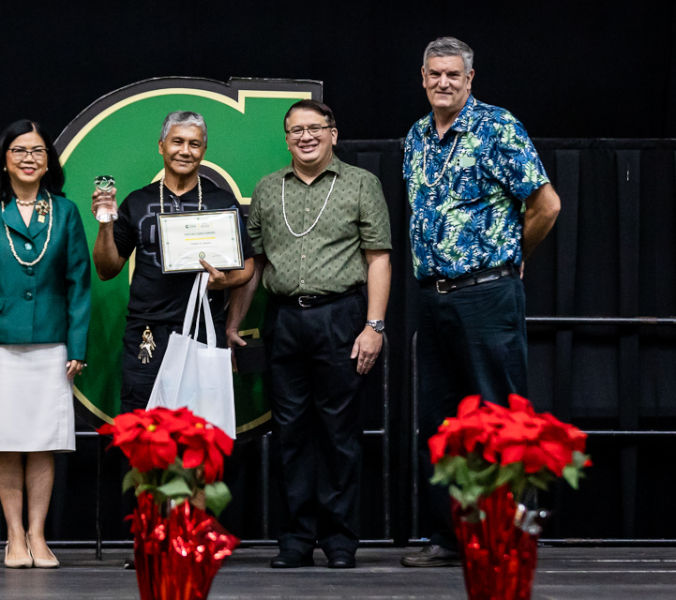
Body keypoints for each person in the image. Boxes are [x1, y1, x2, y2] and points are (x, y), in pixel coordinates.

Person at [400, 37, 561, 567]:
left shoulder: (497, 126)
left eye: (453, 74)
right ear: (422, 77)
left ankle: (510, 537)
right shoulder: (416, 137)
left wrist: (516, 256)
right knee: (443, 424)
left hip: (487, 293)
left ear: (470, 79)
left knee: (502, 416)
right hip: (433, 297)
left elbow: (545, 204)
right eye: (434, 74)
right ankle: (450, 538)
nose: (443, 82)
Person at [227, 99, 392, 569]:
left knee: (339, 434)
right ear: (286, 138)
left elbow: (378, 257)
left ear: (333, 133)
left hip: (341, 316)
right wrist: (234, 322)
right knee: (290, 433)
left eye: (315, 128)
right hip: (284, 321)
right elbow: (253, 266)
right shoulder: (266, 189)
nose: (305, 137)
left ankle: (340, 540)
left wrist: (374, 326)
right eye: (295, 130)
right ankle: (296, 540)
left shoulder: (361, 184)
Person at [0, 119, 91, 569]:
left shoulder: (66, 211)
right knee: (6, 441)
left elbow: (79, 283)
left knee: (42, 441)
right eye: (20, 150)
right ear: (4, 159)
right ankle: (13, 536)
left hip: (52, 343)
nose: (29, 158)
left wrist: (77, 346)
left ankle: (39, 535)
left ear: (48, 159)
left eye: (37, 151)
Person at [92, 111, 254, 415]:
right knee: (143, 427)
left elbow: (247, 267)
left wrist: (223, 282)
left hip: (203, 329)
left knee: (203, 427)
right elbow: (106, 269)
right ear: (161, 146)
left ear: (204, 151)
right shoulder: (137, 202)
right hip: (147, 331)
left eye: (194, 144)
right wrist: (105, 224)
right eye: (177, 141)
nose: (185, 150)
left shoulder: (221, 202)